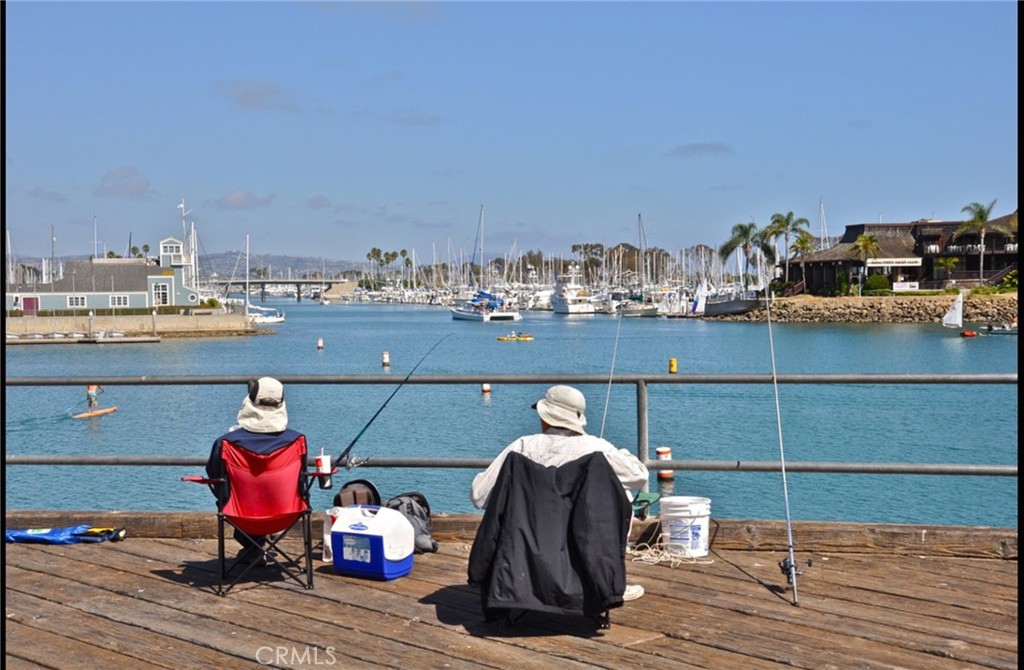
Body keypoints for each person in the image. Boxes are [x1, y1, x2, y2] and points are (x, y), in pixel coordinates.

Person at [471, 384, 649, 600]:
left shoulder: (522, 447)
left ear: (546, 417)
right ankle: (609, 580)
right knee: (623, 495)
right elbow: (639, 475)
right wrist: (615, 453)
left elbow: (479, 495)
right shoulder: (596, 449)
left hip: (524, 556)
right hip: (581, 547)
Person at [206, 377, 307, 566]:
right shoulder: (297, 441)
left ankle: (253, 546)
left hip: (240, 515)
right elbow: (301, 481)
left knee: (227, 491)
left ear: (248, 403)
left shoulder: (226, 443)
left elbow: (213, 474)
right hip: (286, 514)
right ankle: (258, 545)